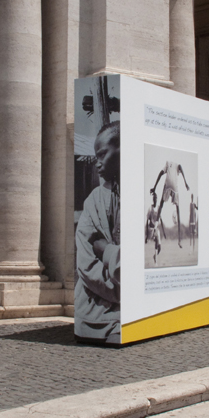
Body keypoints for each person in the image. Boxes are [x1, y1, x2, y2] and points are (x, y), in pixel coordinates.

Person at [75, 121, 120, 344]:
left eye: (103, 154)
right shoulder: (93, 200)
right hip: (93, 312)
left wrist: (107, 251)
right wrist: (123, 290)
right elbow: (86, 263)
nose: (98, 163)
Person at [150, 160, 190, 248]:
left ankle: (155, 226)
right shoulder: (176, 165)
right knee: (178, 212)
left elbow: (160, 173)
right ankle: (179, 241)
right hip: (174, 187)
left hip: (167, 184)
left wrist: (154, 187)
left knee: (161, 204)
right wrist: (185, 182)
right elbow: (181, 166)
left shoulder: (168, 163)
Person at [145, 190, 161, 264]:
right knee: (155, 241)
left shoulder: (158, 208)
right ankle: (156, 261)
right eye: (154, 198)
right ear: (153, 199)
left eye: (156, 198)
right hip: (150, 229)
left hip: (156, 229)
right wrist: (145, 235)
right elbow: (147, 221)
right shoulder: (150, 209)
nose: (155, 200)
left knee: (159, 247)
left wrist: (163, 231)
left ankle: (155, 256)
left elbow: (161, 220)